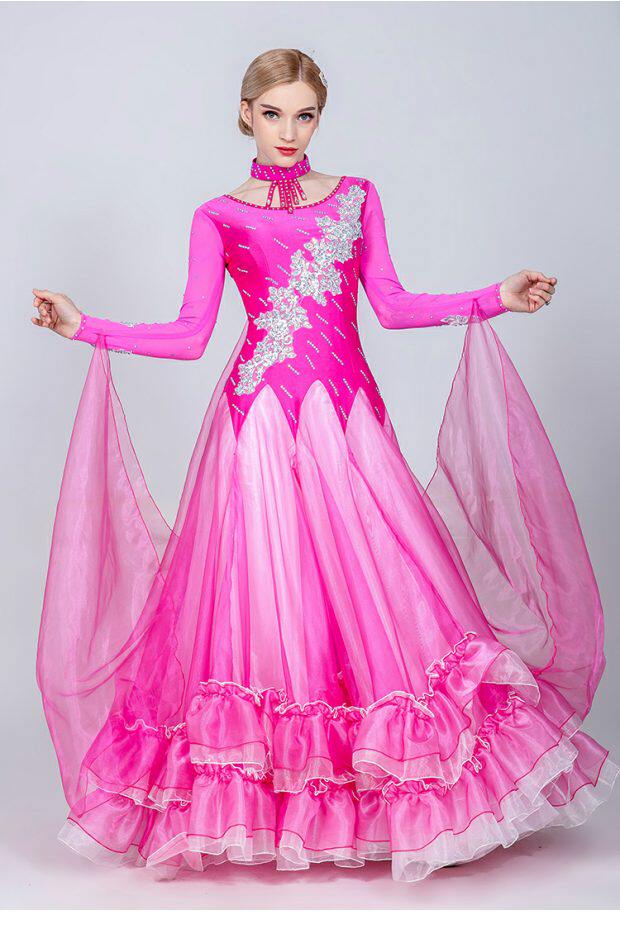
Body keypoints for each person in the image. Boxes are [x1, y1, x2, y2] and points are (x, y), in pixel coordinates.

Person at [33, 48, 617, 884]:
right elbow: (191, 333)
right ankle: (284, 802)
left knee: (383, 595)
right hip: (259, 429)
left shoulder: (357, 198)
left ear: (319, 117)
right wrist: (85, 326)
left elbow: (393, 304)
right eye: (273, 113)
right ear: (246, 113)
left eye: (304, 114)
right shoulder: (217, 216)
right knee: (266, 604)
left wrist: (494, 297)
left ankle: (383, 791)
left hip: (346, 425)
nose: (289, 130)